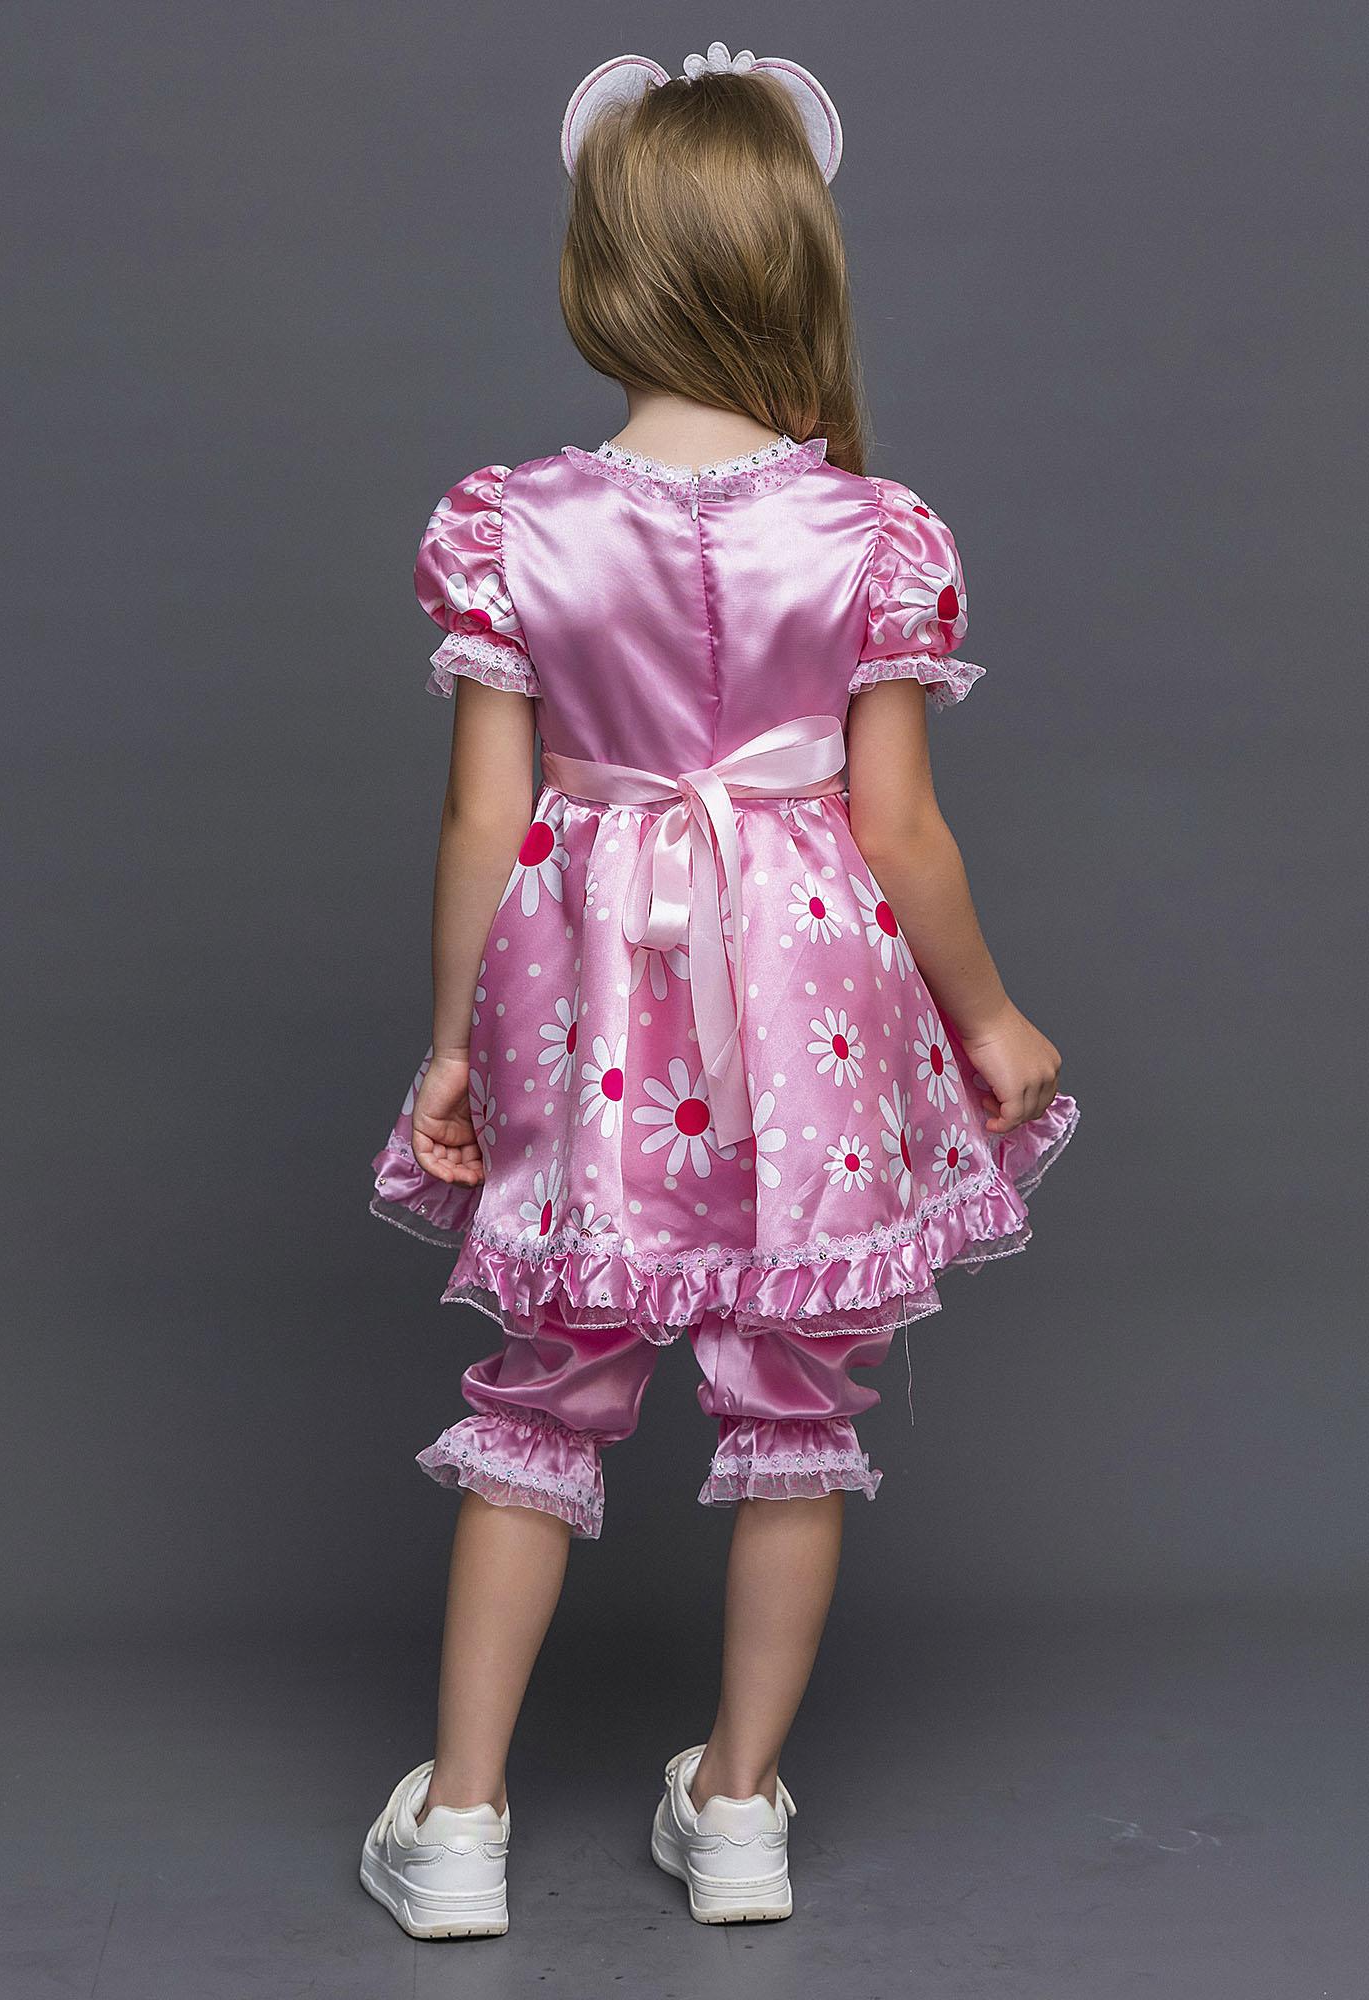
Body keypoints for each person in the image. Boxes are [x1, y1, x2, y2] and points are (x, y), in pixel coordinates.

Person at [359, 41, 1079, 1939]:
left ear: (602, 263)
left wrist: (449, 1047)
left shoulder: (513, 521)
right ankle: (741, 1810)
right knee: (792, 1401)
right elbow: (898, 825)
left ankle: (460, 1825)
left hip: (592, 993)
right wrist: (989, 1015)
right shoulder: (870, 530)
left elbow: (483, 818)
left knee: (546, 1391)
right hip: (805, 1003)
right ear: (795, 261)